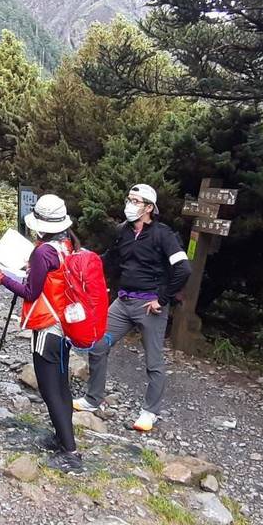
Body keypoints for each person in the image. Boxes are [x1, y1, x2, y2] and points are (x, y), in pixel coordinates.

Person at [73, 184, 192, 432]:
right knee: (97, 345)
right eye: (129, 199)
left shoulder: (163, 235)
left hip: (150, 306)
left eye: (136, 201)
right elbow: (110, 259)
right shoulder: (123, 232)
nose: (130, 204)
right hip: (122, 302)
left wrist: (163, 299)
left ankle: (150, 412)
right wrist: (84, 262)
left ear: (149, 208)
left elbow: (183, 269)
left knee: (154, 361)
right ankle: (93, 399)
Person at [0, 194, 82, 473]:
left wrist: (2, 277)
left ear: (40, 225)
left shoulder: (43, 252)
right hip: (64, 326)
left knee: (50, 389)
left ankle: (71, 453)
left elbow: (30, 291)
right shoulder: (69, 245)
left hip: (47, 328)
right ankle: (61, 438)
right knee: (61, 385)